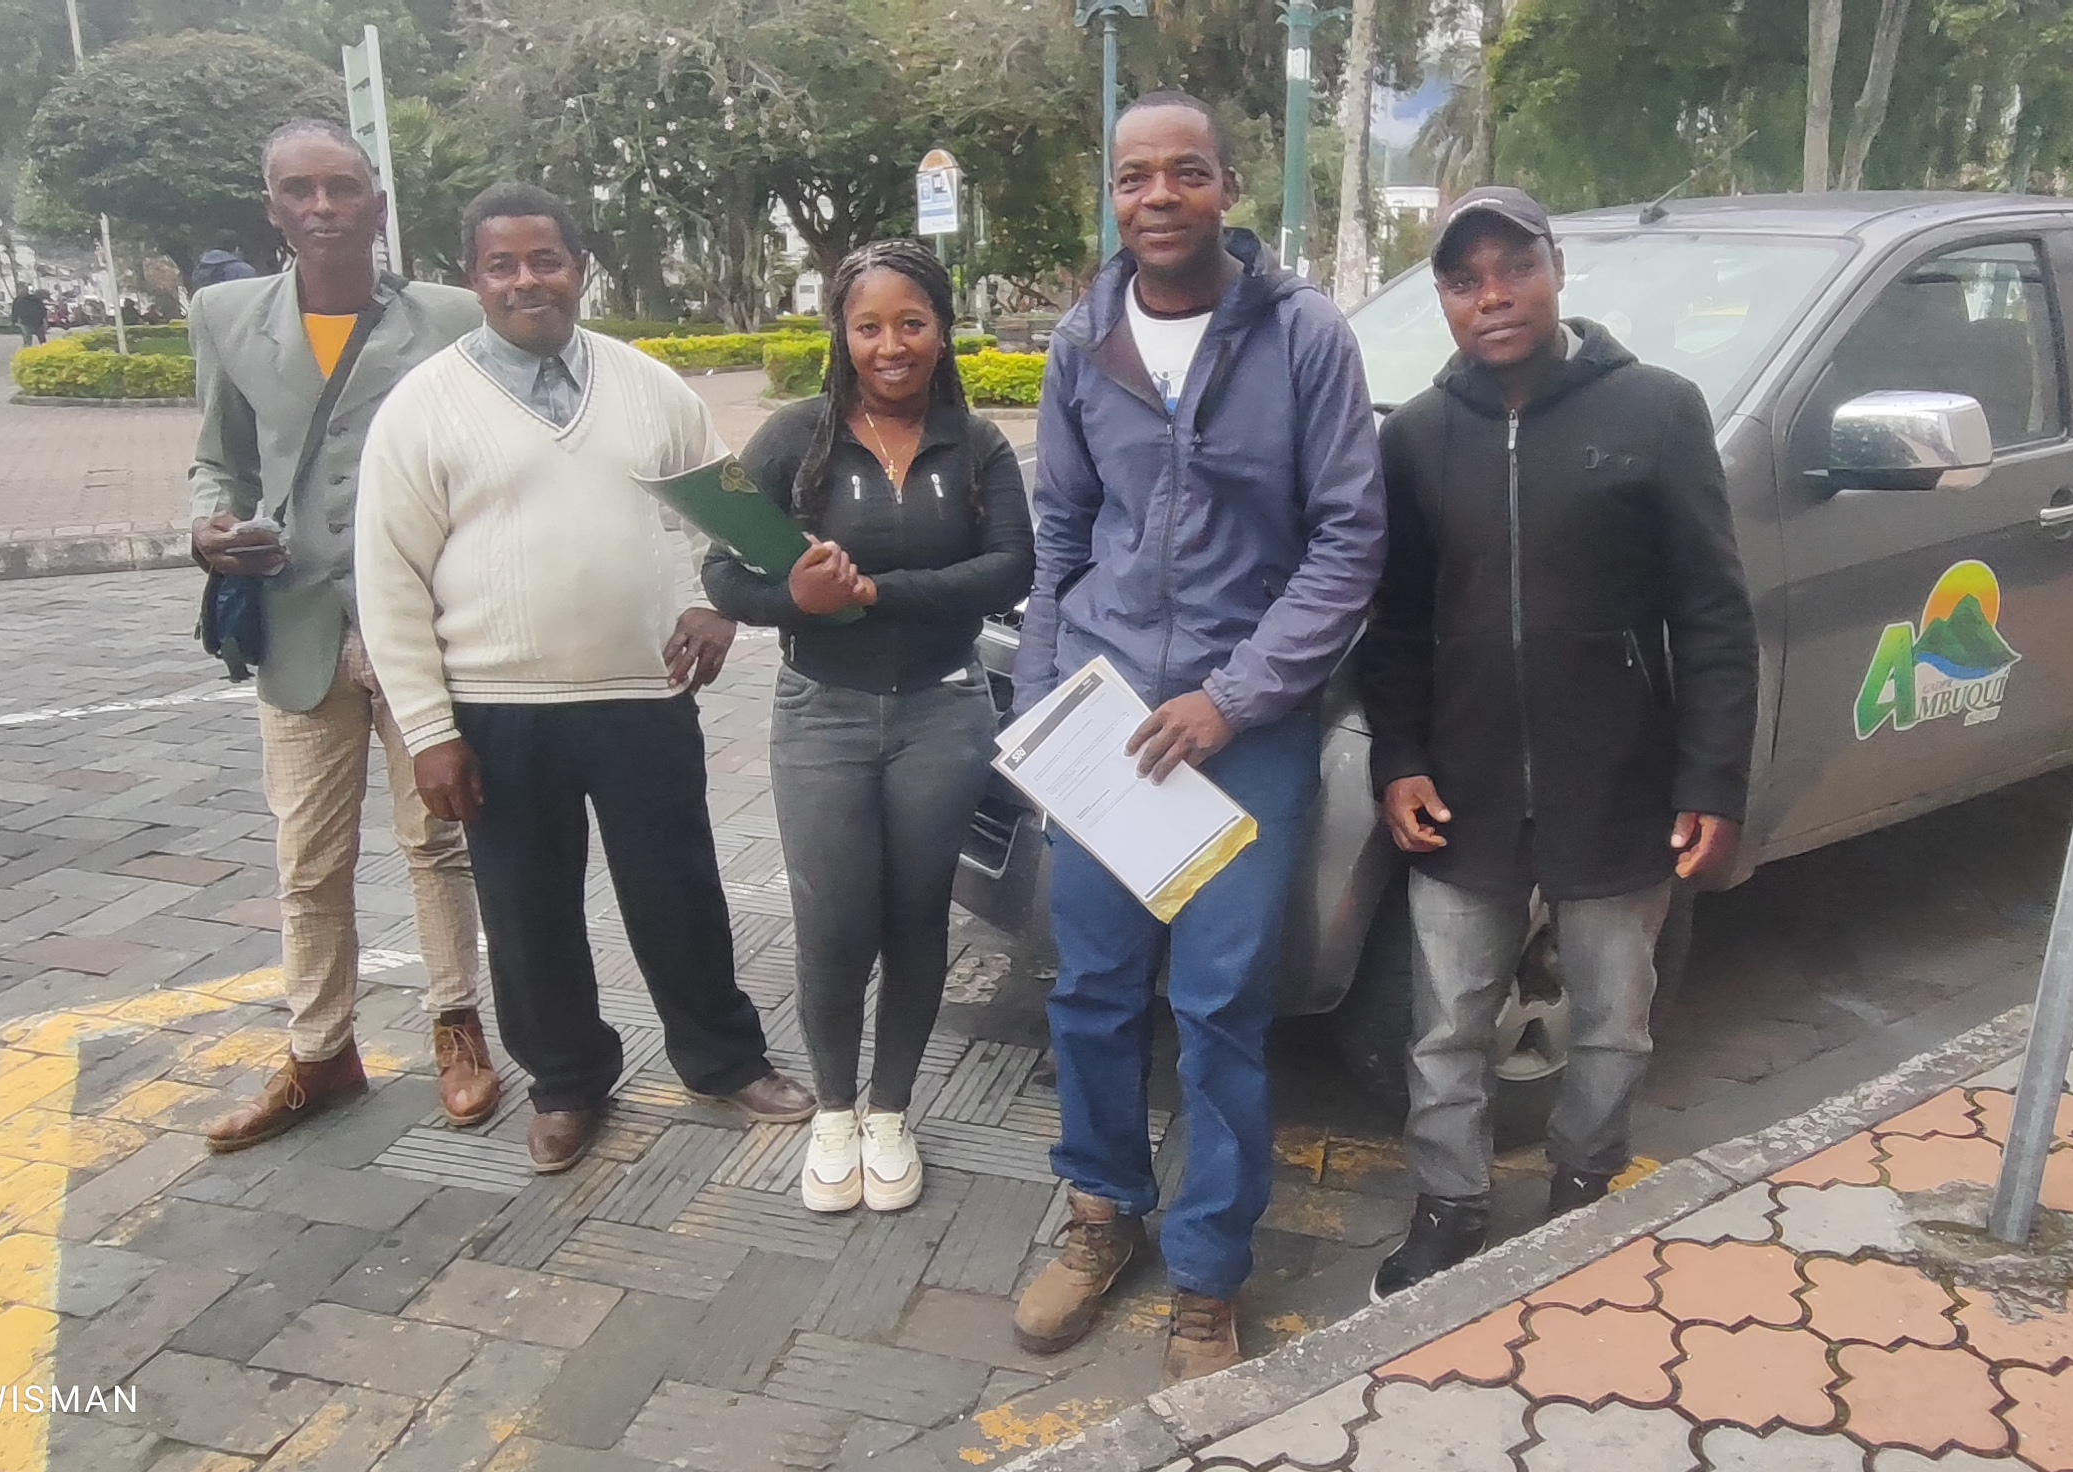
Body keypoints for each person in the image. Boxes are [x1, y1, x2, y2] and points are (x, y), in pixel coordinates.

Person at [1009, 90, 1386, 1381]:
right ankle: (1101, 1209)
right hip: (1109, 728)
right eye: (1133, 177)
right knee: (1090, 987)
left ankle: (1210, 1269)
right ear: (1113, 195)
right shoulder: (1083, 340)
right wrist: (1042, 715)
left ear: (1228, 186)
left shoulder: (1304, 336)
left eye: (1184, 172)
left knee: (1223, 1005)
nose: (1157, 196)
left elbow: (1347, 542)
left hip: (1242, 733)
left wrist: (1235, 696)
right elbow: (1062, 538)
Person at [357, 181, 816, 1174]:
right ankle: (566, 1082)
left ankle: (723, 1058)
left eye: (546, 260)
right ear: (473, 278)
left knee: (679, 892)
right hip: (499, 712)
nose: (527, 280)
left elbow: (735, 513)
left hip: (643, 696)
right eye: (502, 265)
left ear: (580, 268)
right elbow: (387, 578)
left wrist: (720, 603)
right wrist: (430, 731)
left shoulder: (648, 387)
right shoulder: (423, 408)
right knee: (528, 914)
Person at [1360, 187, 1757, 1300]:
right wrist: (1399, 757)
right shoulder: (1418, 436)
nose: (1493, 296)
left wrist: (1713, 777)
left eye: (1514, 268)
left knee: (1613, 1019)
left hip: (1620, 779)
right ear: (1444, 299)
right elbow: (1394, 620)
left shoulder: (1657, 411)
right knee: (1446, 1022)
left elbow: (1713, 616)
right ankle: (1450, 1201)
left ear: (1557, 270)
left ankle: (1584, 1184)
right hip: (1463, 784)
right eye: (1464, 279)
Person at [187, 119, 499, 1153]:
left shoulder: (452, 317)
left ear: (376, 203)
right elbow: (220, 460)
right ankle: (320, 1051)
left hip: (421, 624)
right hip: (297, 622)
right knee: (308, 860)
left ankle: (458, 1026)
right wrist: (207, 526)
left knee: (438, 838)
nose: (321, 207)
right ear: (272, 207)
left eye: (341, 187)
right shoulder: (226, 317)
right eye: (298, 190)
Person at [703, 239, 1032, 1214]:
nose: (892, 346)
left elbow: (1010, 568)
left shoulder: (977, 445)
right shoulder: (792, 437)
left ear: (943, 332)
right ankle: (835, 1111)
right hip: (822, 714)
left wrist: (876, 591)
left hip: (944, 710)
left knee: (915, 916)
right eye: (870, 326)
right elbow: (722, 572)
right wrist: (794, 600)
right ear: (841, 336)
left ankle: (891, 1112)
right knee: (835, 922)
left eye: (912, 323)